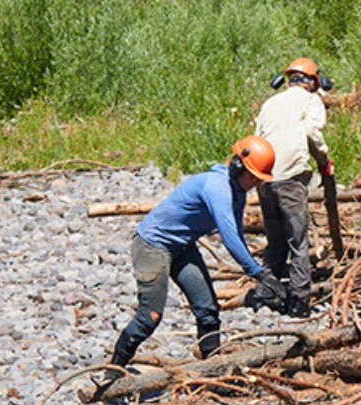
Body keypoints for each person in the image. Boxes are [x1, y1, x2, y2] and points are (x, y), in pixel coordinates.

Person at [109, 135, 283, 367]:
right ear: (238, 166)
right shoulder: (217, 187)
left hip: (182, 247)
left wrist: (261, 273)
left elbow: (238, 233)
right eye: (253, 177)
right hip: (153, 245)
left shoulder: (237, 191)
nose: (255, 183)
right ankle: (112, 370)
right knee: (150, 316)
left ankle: (211, 369)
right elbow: (229, 238)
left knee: (208, 310)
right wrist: (258, 273)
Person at [255, 56, 333, 318]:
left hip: (264, 178)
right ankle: (299, 302)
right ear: (312, 81)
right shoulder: (311, 100)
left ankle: (266, 294)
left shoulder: (269, 103)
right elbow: (312, 133)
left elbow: (258, 140)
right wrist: (323, 160)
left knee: (275, 241)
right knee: (298, 241)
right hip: (291, 178)